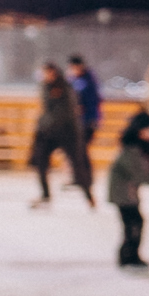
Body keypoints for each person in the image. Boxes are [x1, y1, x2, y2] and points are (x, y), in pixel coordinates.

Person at [106, 110, 149, 270]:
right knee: (134, 223)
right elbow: (142, 173)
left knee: (135, 222)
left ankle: (130, 255)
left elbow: (146, 172)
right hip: (123, 194)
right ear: (140, 130)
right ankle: (128, 256)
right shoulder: (132, 149)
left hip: (127, 193)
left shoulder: (139, 147)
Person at [29, 62, 93, 208]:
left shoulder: (65, 88)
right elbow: (47, 110)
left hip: (67, 132)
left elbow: (66, 112)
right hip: (49, 132)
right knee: (40, 162)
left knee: (77, 164)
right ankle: (45, 195)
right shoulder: (45, 87)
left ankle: (88, 196)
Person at [67, 55, 102, 148]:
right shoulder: (72, 80)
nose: (74, 70)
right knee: (76, 148)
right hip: (75, 120)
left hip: (88, 119)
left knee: (80, 147)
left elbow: (94, 99)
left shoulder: (89, 80)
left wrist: (83, 108)